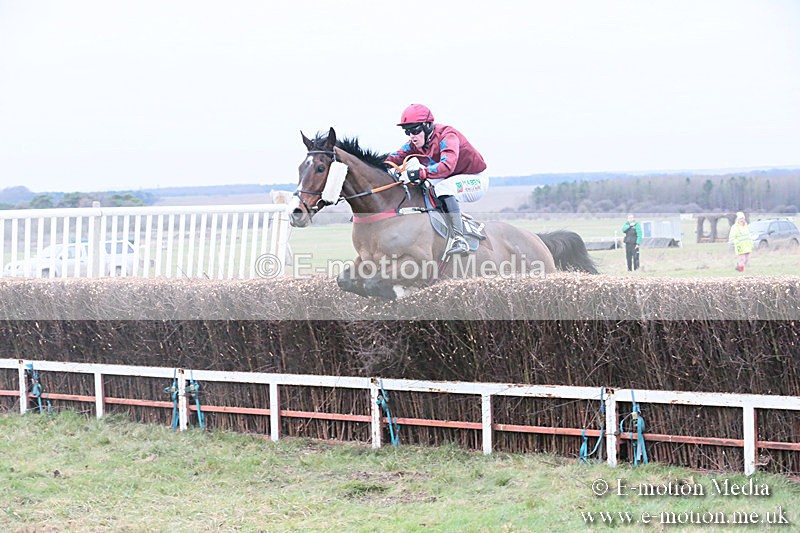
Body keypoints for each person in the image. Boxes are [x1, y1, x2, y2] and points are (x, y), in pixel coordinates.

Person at [385, 104, 488, 255]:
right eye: (407, 131)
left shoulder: (448, 136)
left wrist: (418, 173)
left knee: (442, 188)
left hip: (474, 178)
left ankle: (459, 239)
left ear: (427, 126)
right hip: (449, 178)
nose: (412, 136)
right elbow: (392, 159)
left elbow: (447, 166)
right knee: (419, 185)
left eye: (415, 130)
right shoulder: (416, 143)